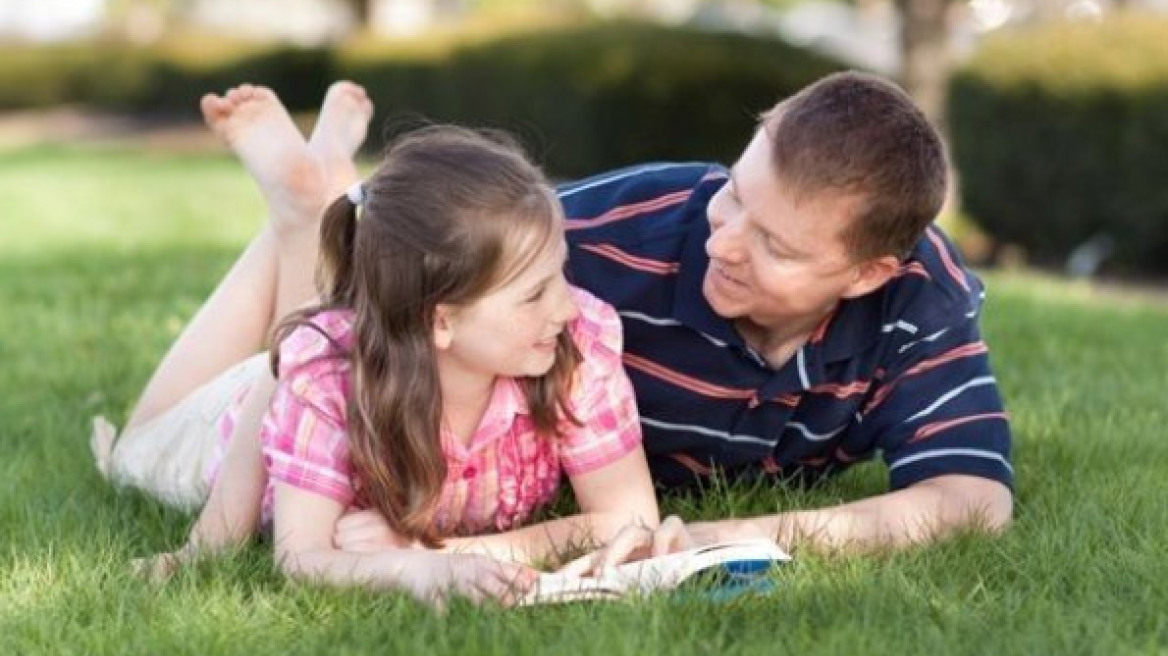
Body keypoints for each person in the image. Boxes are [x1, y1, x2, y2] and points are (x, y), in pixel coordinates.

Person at [91, 82, 658, 605]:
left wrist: (440, 554)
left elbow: (630, 519)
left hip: (343, 350)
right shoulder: (323, 378)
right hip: (232, 419)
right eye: (534, 294)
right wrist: (212, 542)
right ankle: (298, 218)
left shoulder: (575, 340)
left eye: (562, 272)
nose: (566, 305)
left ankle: (308, 207)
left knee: (306, 342)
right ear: (440, 321)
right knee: (132, 451)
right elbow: (301, 556)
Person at [554, 70, 1014, 571]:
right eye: (733, 194)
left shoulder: (921, 294)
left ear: (865, 274)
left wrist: (728, 537)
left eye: (774, 246)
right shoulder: (590, 239)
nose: (720, 245)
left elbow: (973, 498)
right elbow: (461, 256)